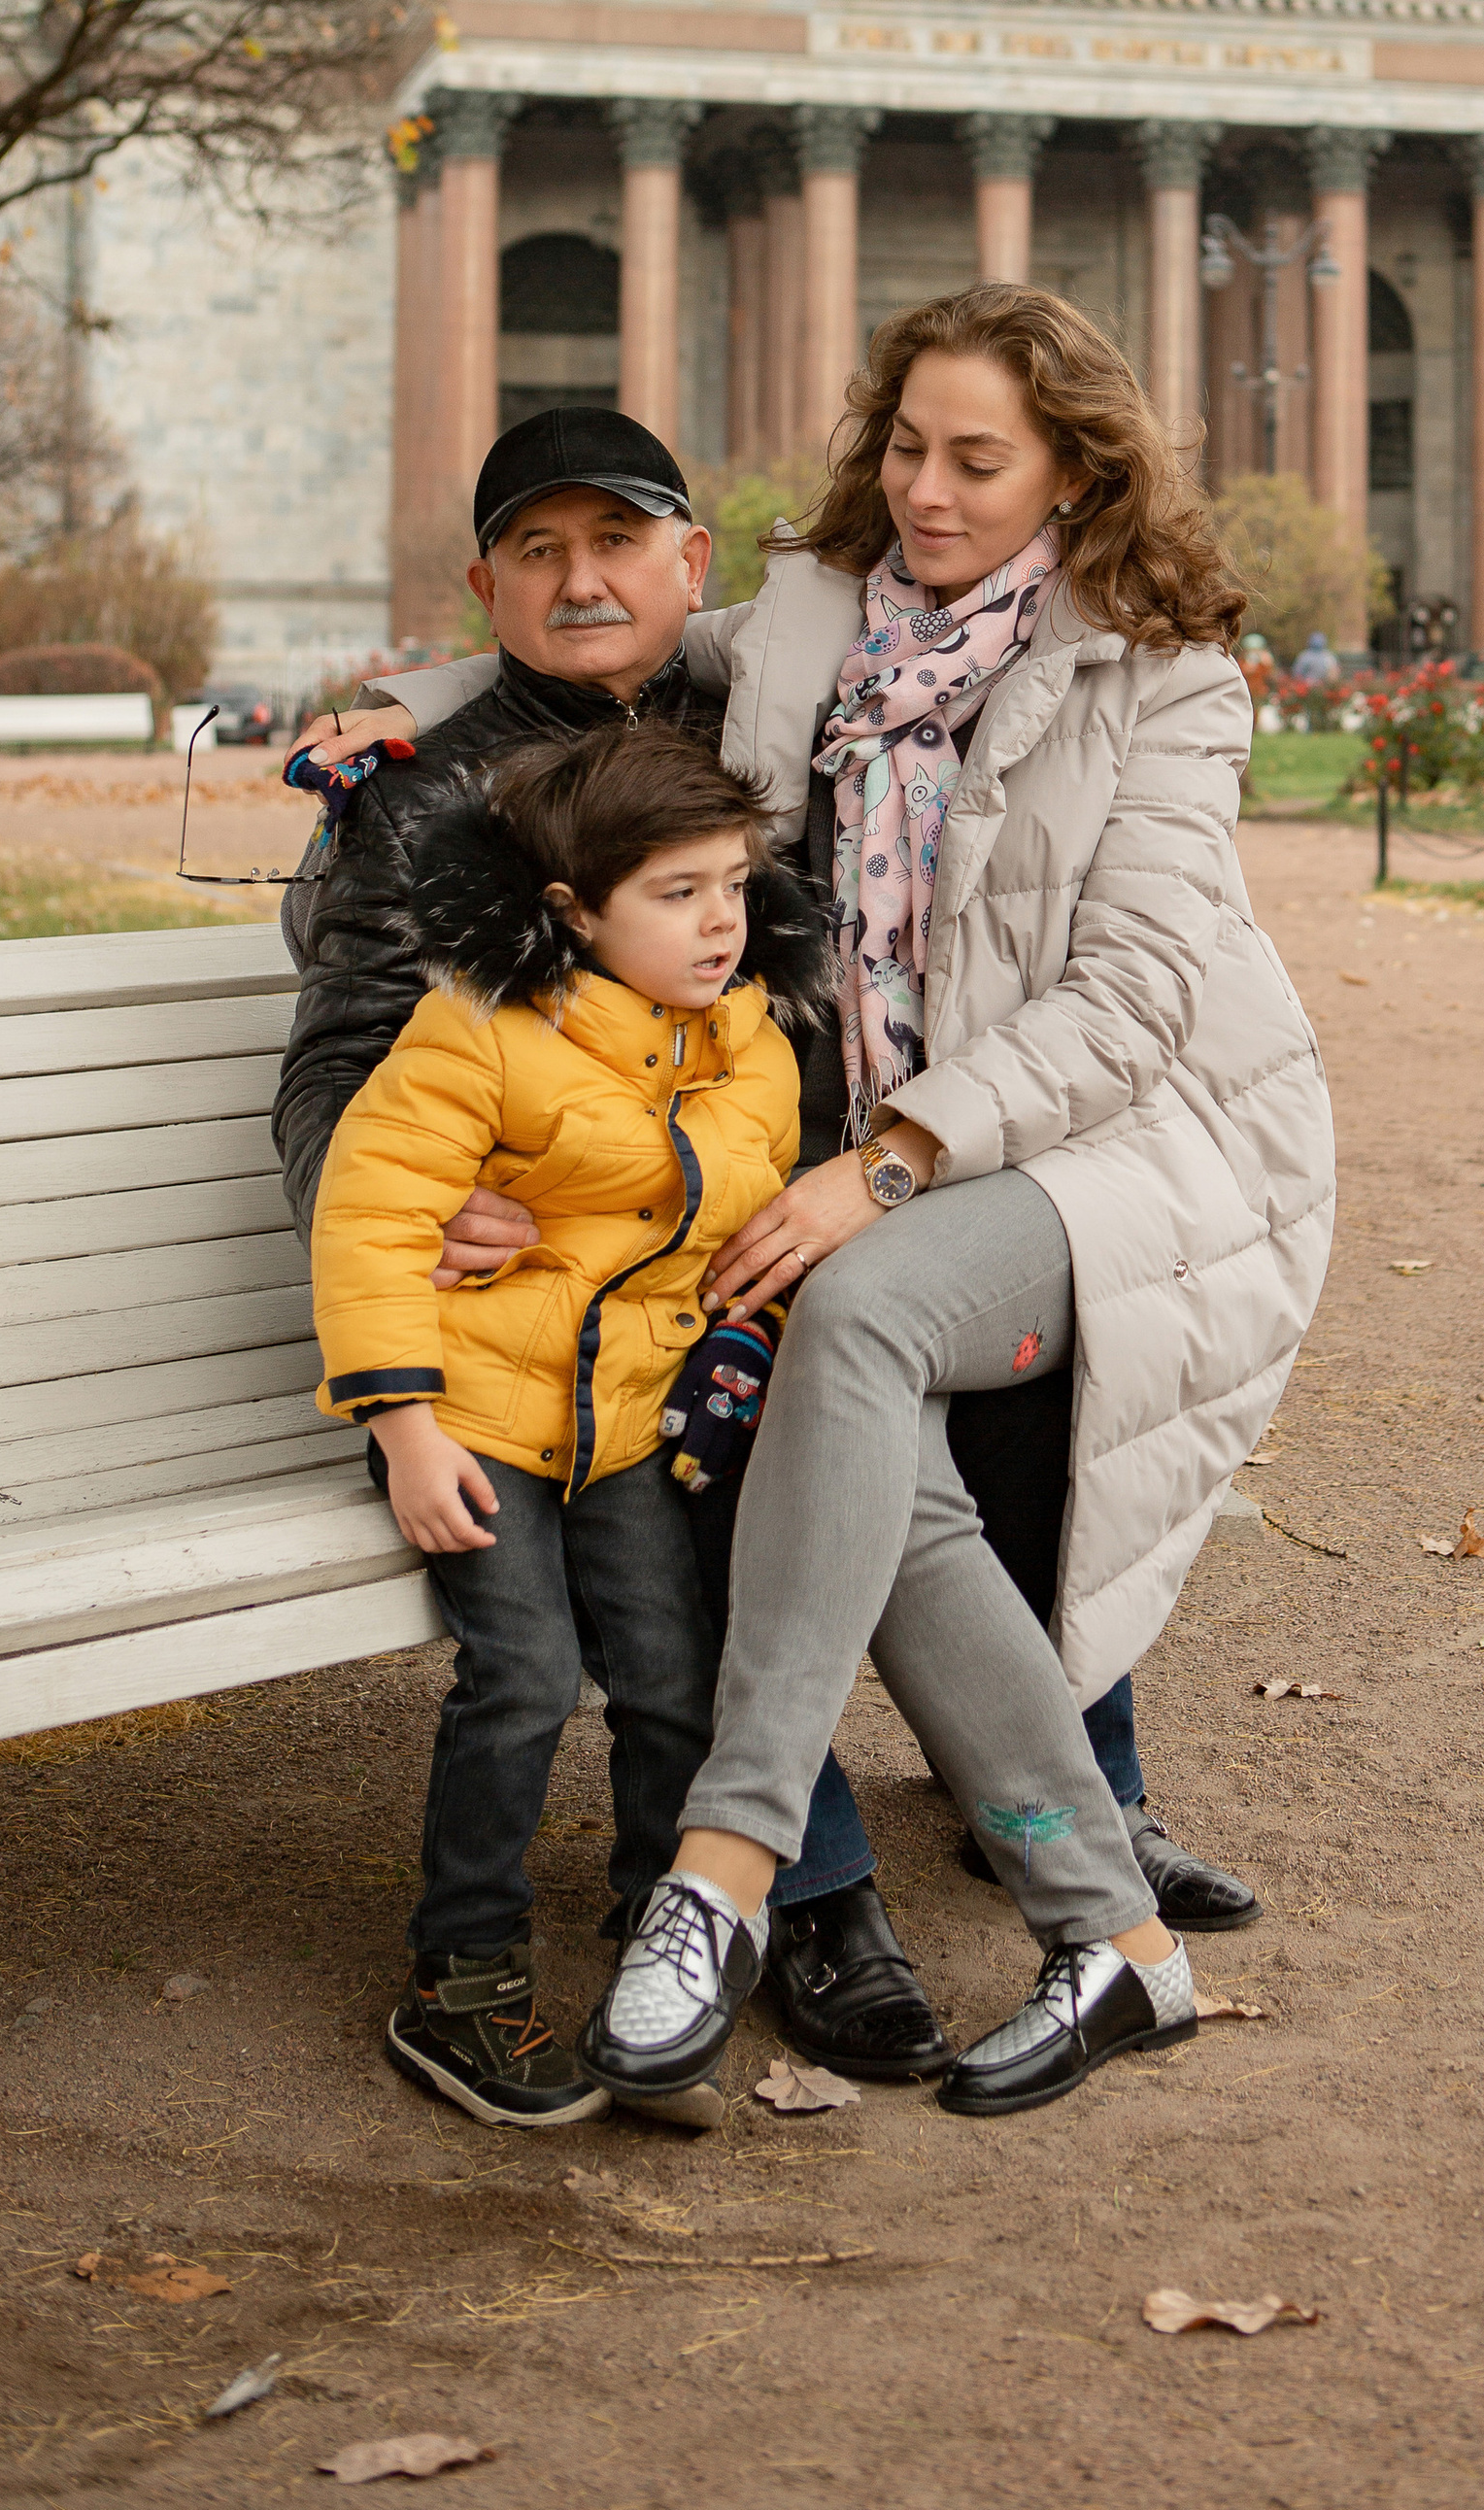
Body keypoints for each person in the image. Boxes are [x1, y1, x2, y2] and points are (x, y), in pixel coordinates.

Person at [291, 401, 1261, 2081]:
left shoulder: (775, 697)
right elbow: (344, 1066)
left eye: (619, 543)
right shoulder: (426, 793)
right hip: (589, 1295)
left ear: (691, 561)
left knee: (1000, 1368)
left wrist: (870, 1175)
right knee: (798, 1404)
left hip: (835, 1178)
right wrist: (422, 1207)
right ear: (487, 583)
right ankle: (815, 1891)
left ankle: (1066, 1798)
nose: (584, 583)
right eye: (539, 552)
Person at [575, 284, 1336, 2117]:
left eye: (977, 461)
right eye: (907, 447)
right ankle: (1111, 1936)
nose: (926, 490)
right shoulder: (819, 622)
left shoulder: (1164, 675)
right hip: (894, 1162)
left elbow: (1134, 1008)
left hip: (1131, 1151)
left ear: (1075, 470)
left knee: (851, 1311)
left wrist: (890, 1160)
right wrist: (398, 704)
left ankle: (722, 1871)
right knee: (872, 1411)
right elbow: (619, 644)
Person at [311, 722, 827, 2128]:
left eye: (734, 885)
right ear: (576, 911)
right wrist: (406, 1430)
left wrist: (744, 1338)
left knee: (672, 1675)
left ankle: (664, 1957)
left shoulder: (749, 1047)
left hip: (636, 1421)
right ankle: (460, 1976)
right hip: (472, 1415)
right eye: (677, 893)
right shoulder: (481, 1031)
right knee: (526, 1675)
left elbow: (745, 1232)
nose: (720, 921)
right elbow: (371, 1221)